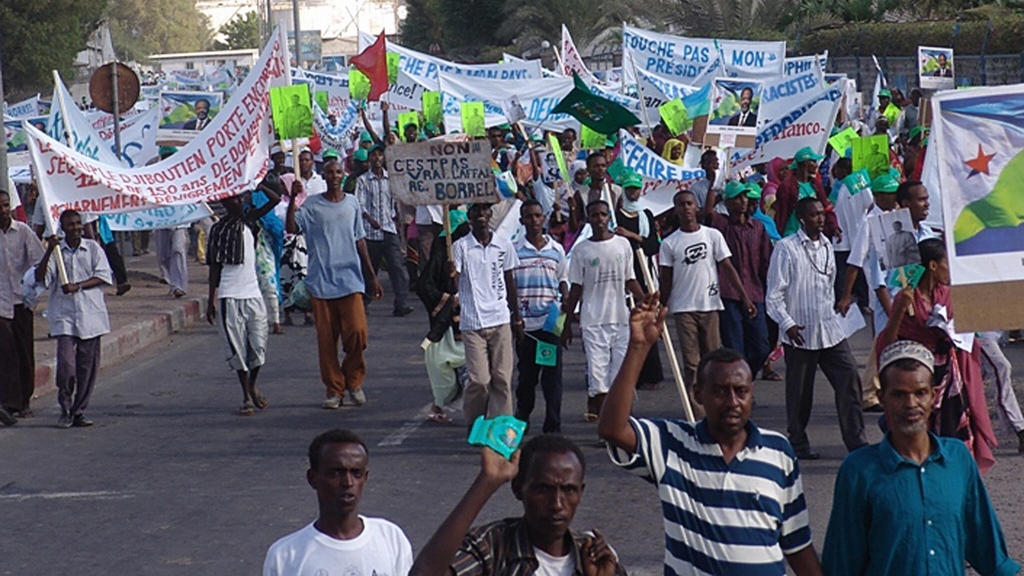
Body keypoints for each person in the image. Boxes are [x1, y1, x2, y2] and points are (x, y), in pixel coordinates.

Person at [598, 294, 824, 575]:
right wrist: (638, 348)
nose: (732, 402)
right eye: (719, 391)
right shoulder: (672, 444)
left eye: (741, 392)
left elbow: (797, 543)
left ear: (752, 395)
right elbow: (611, 428)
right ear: (698, 394)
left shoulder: (778, 452)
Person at [821, 341, 1020, 576]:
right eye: (899, 395)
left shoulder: (958, 459)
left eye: (920, 393)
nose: (911, 404)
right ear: (881, 398)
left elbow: (986, 546)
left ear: (933, 396)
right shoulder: (859, 470)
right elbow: (843, 561)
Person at [409, 435, 625, 576]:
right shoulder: (492, 548)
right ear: (519, 489)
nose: (557, 504)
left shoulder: (593, 556)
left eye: (569, 490)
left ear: (581, 492)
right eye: (542, 489)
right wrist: (485, 484)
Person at [877, 239, 998, 474]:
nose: (949, 271)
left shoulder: (948, 294)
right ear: (932, 265)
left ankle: (954, 473)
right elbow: (889, 342)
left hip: (949, 376)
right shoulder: (907, 298)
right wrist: (899, 310)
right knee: (919, 426)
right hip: (918, 375)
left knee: (954, 428)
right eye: (946, 264)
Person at [766, 197, 867, 459]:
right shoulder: (786, 249)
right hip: (800, 333)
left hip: (830, 329)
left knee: (849, 381)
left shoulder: (826, 246)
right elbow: (773, 296)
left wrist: (842, 303)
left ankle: (857, 443)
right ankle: (798, 443)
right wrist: (787, 324)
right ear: (801, 219)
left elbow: (829, 283)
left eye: (822, 214)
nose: (820, 219)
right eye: (814, 215)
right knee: (800, 394)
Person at [286, 159, 383, 409]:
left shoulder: (352, 202)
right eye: (330, 172)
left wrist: (372, 276)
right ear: (324, 176)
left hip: (350, 280)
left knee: (358, 334)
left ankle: (354, 380)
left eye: (338, 171)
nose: (335, 176)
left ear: (343, 174)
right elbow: (292, 227)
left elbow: (359, 239)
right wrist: (292, 201)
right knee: (327, 342)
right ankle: (334, 389)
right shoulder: (312, 205)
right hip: (321, 282)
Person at [263, 429, 413, 575]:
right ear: (313, 478)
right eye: (335, 473)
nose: (348, 482)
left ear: (365, 478)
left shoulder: (391, 538)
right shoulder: (285, 556)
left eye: (356, 473)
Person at [661, 189, 755, 414]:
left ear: (696, 207)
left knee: (714, 359)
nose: (686, 208)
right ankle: (697, 413)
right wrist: (661, 307)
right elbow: (665, 279)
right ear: (676, 210)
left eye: (690, 203)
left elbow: (728, 268)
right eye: (681, 204)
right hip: (684, 309)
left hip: (710, 306)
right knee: (692, 364)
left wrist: (745, 297)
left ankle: (718, 406)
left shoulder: (712, 236)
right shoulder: (669, 243)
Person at [562, 200, 644, 421]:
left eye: (603, 215)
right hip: (592, 322)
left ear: (609, 217)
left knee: (621, 376)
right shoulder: (581, 250)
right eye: (594, 215)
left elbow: (630, 280)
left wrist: (647, 301)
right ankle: (605, 425)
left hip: (620, 320)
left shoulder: (623, 245)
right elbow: (576, 288)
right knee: (598, 380)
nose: (599, 219)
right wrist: (567, 324)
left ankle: (624, 421)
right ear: (588, 219)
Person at [35, 210, 113, 429]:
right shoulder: (57, 253)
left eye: (79, 223)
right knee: (66, 366)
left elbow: (103, 276)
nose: (76, 228)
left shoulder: (93, 249)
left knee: (88, 368)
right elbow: (42, 278)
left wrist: (77, 286)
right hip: (65, 316)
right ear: (63, 227)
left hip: (90, 315)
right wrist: (50, 249)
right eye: (71, 225)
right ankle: (65, 406)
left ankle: (79, 410)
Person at [206, 190, 280, 416]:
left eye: (240, 197)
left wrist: (257, 184)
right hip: (229, 294)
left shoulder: (249, 220)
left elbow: (275, 200)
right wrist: (211, 299)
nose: (238, 201)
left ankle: (253, 384)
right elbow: (214, 267)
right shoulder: (218, 230)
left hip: (253, 293)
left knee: (258, 347)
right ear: (224, 202)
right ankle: (246, 395)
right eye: (233, 199)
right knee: (237, 349)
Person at [450, 203, 521, 426]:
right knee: (480, 380)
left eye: (484, 211)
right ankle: (477, 422)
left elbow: (510, 281)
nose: (481, 215)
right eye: (476, 212)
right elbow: (454, 283)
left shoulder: (503, 244)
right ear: (469, 216)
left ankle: (501, 429)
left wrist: (516, 316)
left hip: (500, 319)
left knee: (502, 378)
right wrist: (450, 271)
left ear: (490, 214)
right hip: (473, 322)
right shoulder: (461, 247)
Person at [512, 200, 568, 434]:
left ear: (543, 218)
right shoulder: (513, 250)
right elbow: (509, 286)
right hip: (525, 325)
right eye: (528, 216)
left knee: (552, 379)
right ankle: (521, 422)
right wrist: (514, 319)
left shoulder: (556, 250)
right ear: (522, 220)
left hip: (550, 323)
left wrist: (565, 314)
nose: (534, 221)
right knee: (527, 379)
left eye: (537, 216)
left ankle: (552, 426)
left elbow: (563, 281)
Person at [709, 181, 774, 375]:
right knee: (735, 347)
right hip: (729, 294)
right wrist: (714, 184)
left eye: (745, 197)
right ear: (728, 203)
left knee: (762, 347)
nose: (743, 201)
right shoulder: (721, 225)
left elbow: (765, 261)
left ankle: (746, 377)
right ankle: (740, 385)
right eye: (737, 197)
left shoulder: (758, 228)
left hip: (755, 292)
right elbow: (706, 212)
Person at [416, 209, 469, 424]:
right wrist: (449, 299)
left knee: (475, 370)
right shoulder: (440, 257)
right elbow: (425, 286)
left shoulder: (471, 250)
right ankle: (440, 404)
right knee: (444, 369)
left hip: (472, 321)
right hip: (447, 325)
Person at [616, 172, 664, 390]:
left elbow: (654, 244)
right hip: (625, 273)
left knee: (647, 320)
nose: (633, 192)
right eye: (630, 189)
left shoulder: (646, 215)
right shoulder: (616, 215)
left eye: (636, 188)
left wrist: (633, 237)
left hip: (644, 272)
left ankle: (650, 374)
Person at [0, 189, 44, 422]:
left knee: (24, 352)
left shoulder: (23, 232)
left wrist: (32, 294)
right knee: (6, 353)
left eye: (6, 205)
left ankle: (24, 401)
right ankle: (9, 403)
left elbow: (39, 263)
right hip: (1, 303)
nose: (3, 210)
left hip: (21, 300)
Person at [356, 144, 413, 317]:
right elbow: (359, 204)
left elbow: (396, 202)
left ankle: (401, 303)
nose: (377, 158)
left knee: (397, 267)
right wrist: (370, 219)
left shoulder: (392, 179)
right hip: (370, 232)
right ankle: (364, 303)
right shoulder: (363, 180)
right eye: (374, 155)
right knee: (369, 268)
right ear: (369, 159)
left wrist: (398, 222)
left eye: (380, 155)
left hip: (389, 230)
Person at [277, 149, 327, 325]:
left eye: (284, 184)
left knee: (305, 276)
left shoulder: (310, 195)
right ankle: (288, 313)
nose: (282, 186)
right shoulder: (281, 203)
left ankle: (308, 312)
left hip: (306, 243)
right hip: (287, 246)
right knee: (287, 279)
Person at [977, 331, 1024, 453]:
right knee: (1001, 367)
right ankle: (1019, 429)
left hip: (994, 334)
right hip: (978, 334)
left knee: (971, 384)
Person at [690, 149, 721, 213]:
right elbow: (697, 212)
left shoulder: (726, 184)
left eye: (716, 162)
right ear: (704, 166)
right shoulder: (696, 187)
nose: (715, 166)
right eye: (711, 163)